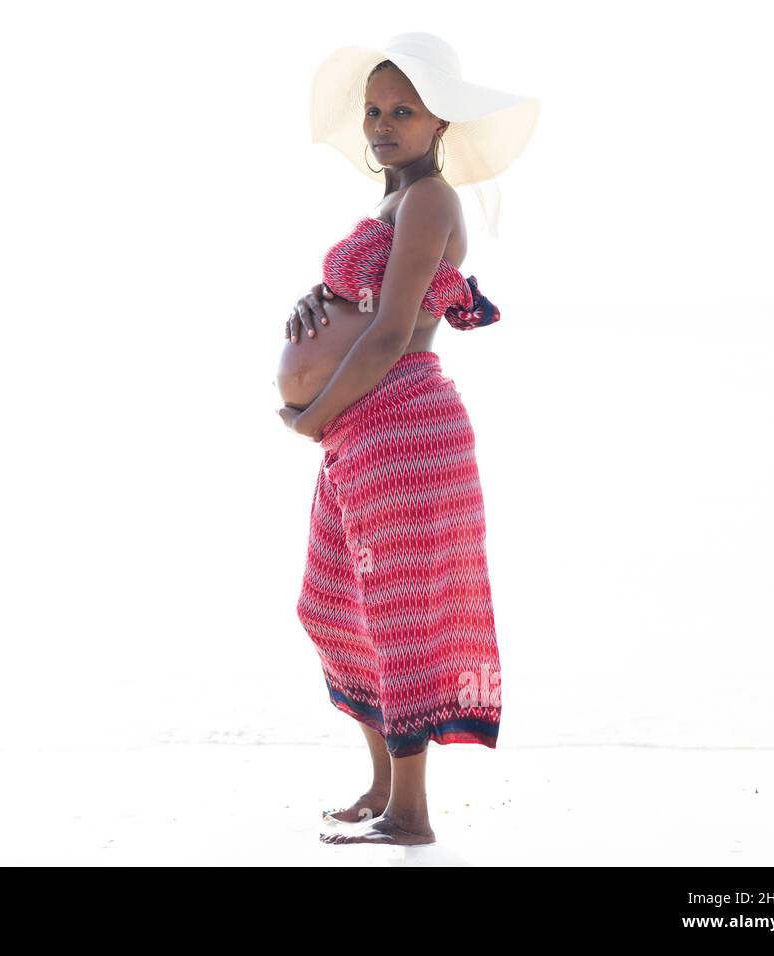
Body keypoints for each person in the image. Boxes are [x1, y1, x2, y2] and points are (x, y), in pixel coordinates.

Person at [277, 33, 539, 847]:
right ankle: (385, 784)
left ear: (440, 125)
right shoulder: (394, 205)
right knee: (331, 607)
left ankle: (411, 814)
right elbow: (366, 302)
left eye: (404, 111)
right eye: (375, 110)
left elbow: (393, 332)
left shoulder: (429, 200)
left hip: (399, 428)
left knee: (397, 619)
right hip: (363, 432)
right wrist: (314, 304)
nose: (383, 123)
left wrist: (311, 415)